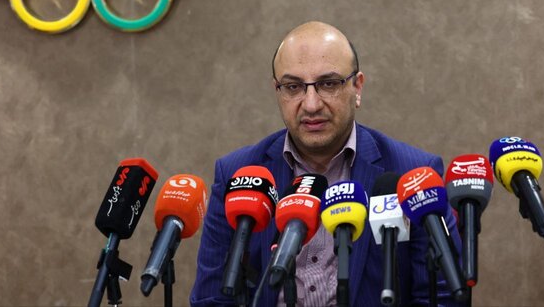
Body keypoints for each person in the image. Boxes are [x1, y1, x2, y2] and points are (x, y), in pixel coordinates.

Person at [190, 21, 462, 306]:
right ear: (277, 91)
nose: (311, 104)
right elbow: (212, 298)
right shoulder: (237, 175)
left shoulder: (412, 174)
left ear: (357, 87)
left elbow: (442, 298)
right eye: (293, 87)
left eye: (328, 84)